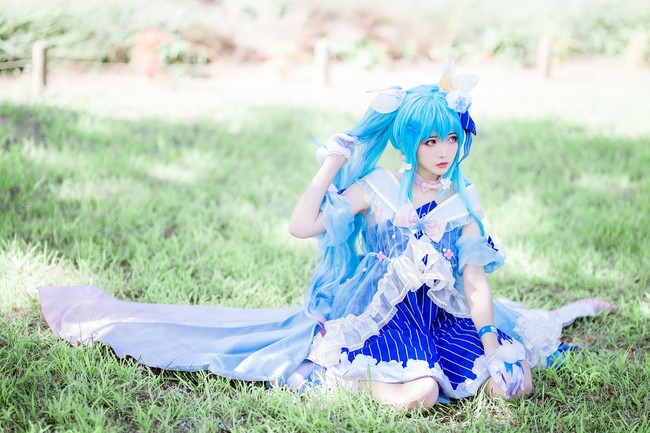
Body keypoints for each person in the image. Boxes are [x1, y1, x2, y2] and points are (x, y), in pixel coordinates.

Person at [38, 60, 616, 411]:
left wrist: (492, 345)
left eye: (450, 139)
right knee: (419, 394)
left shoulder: (463, 200)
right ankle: (331, 378)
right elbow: (302, 226)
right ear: (409, 141)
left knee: (513, 384)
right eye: (429, 141)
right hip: (382, 316)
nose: (442, 152)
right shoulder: (379, 189)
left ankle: (479, 359)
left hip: (445, 317)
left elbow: (474, 282)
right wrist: (331, 165)